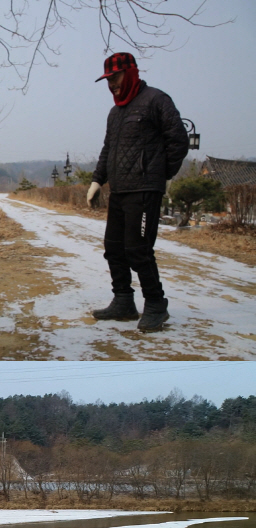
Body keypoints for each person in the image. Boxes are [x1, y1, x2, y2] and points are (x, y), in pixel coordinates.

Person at [87, 52, 189, 332]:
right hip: (119, 190)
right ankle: (123, 301)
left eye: (115, 77)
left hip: (145, 188)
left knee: (138, 250)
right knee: (114, 249)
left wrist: (165, 174)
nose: (112, 85)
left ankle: (156, 304)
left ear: (131, 73)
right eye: (108, 80)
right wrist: (97, 181)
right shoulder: (115, 112)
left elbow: (178, 139)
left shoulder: (156, 100)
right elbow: (108, 149)